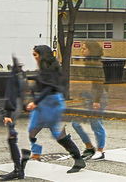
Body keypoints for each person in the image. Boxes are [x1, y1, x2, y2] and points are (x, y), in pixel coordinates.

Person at [25, 44, 87, 174]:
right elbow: (43, 84)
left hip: (52, 103)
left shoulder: (50, 69)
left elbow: (49, 87)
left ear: (42, 55)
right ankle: (30, 159)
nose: (34, 58)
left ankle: (78, 159)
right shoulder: (45, 68)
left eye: (35, 55)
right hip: (45, 103)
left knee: (58, 135)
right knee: (32, 131)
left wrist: (35, 102)